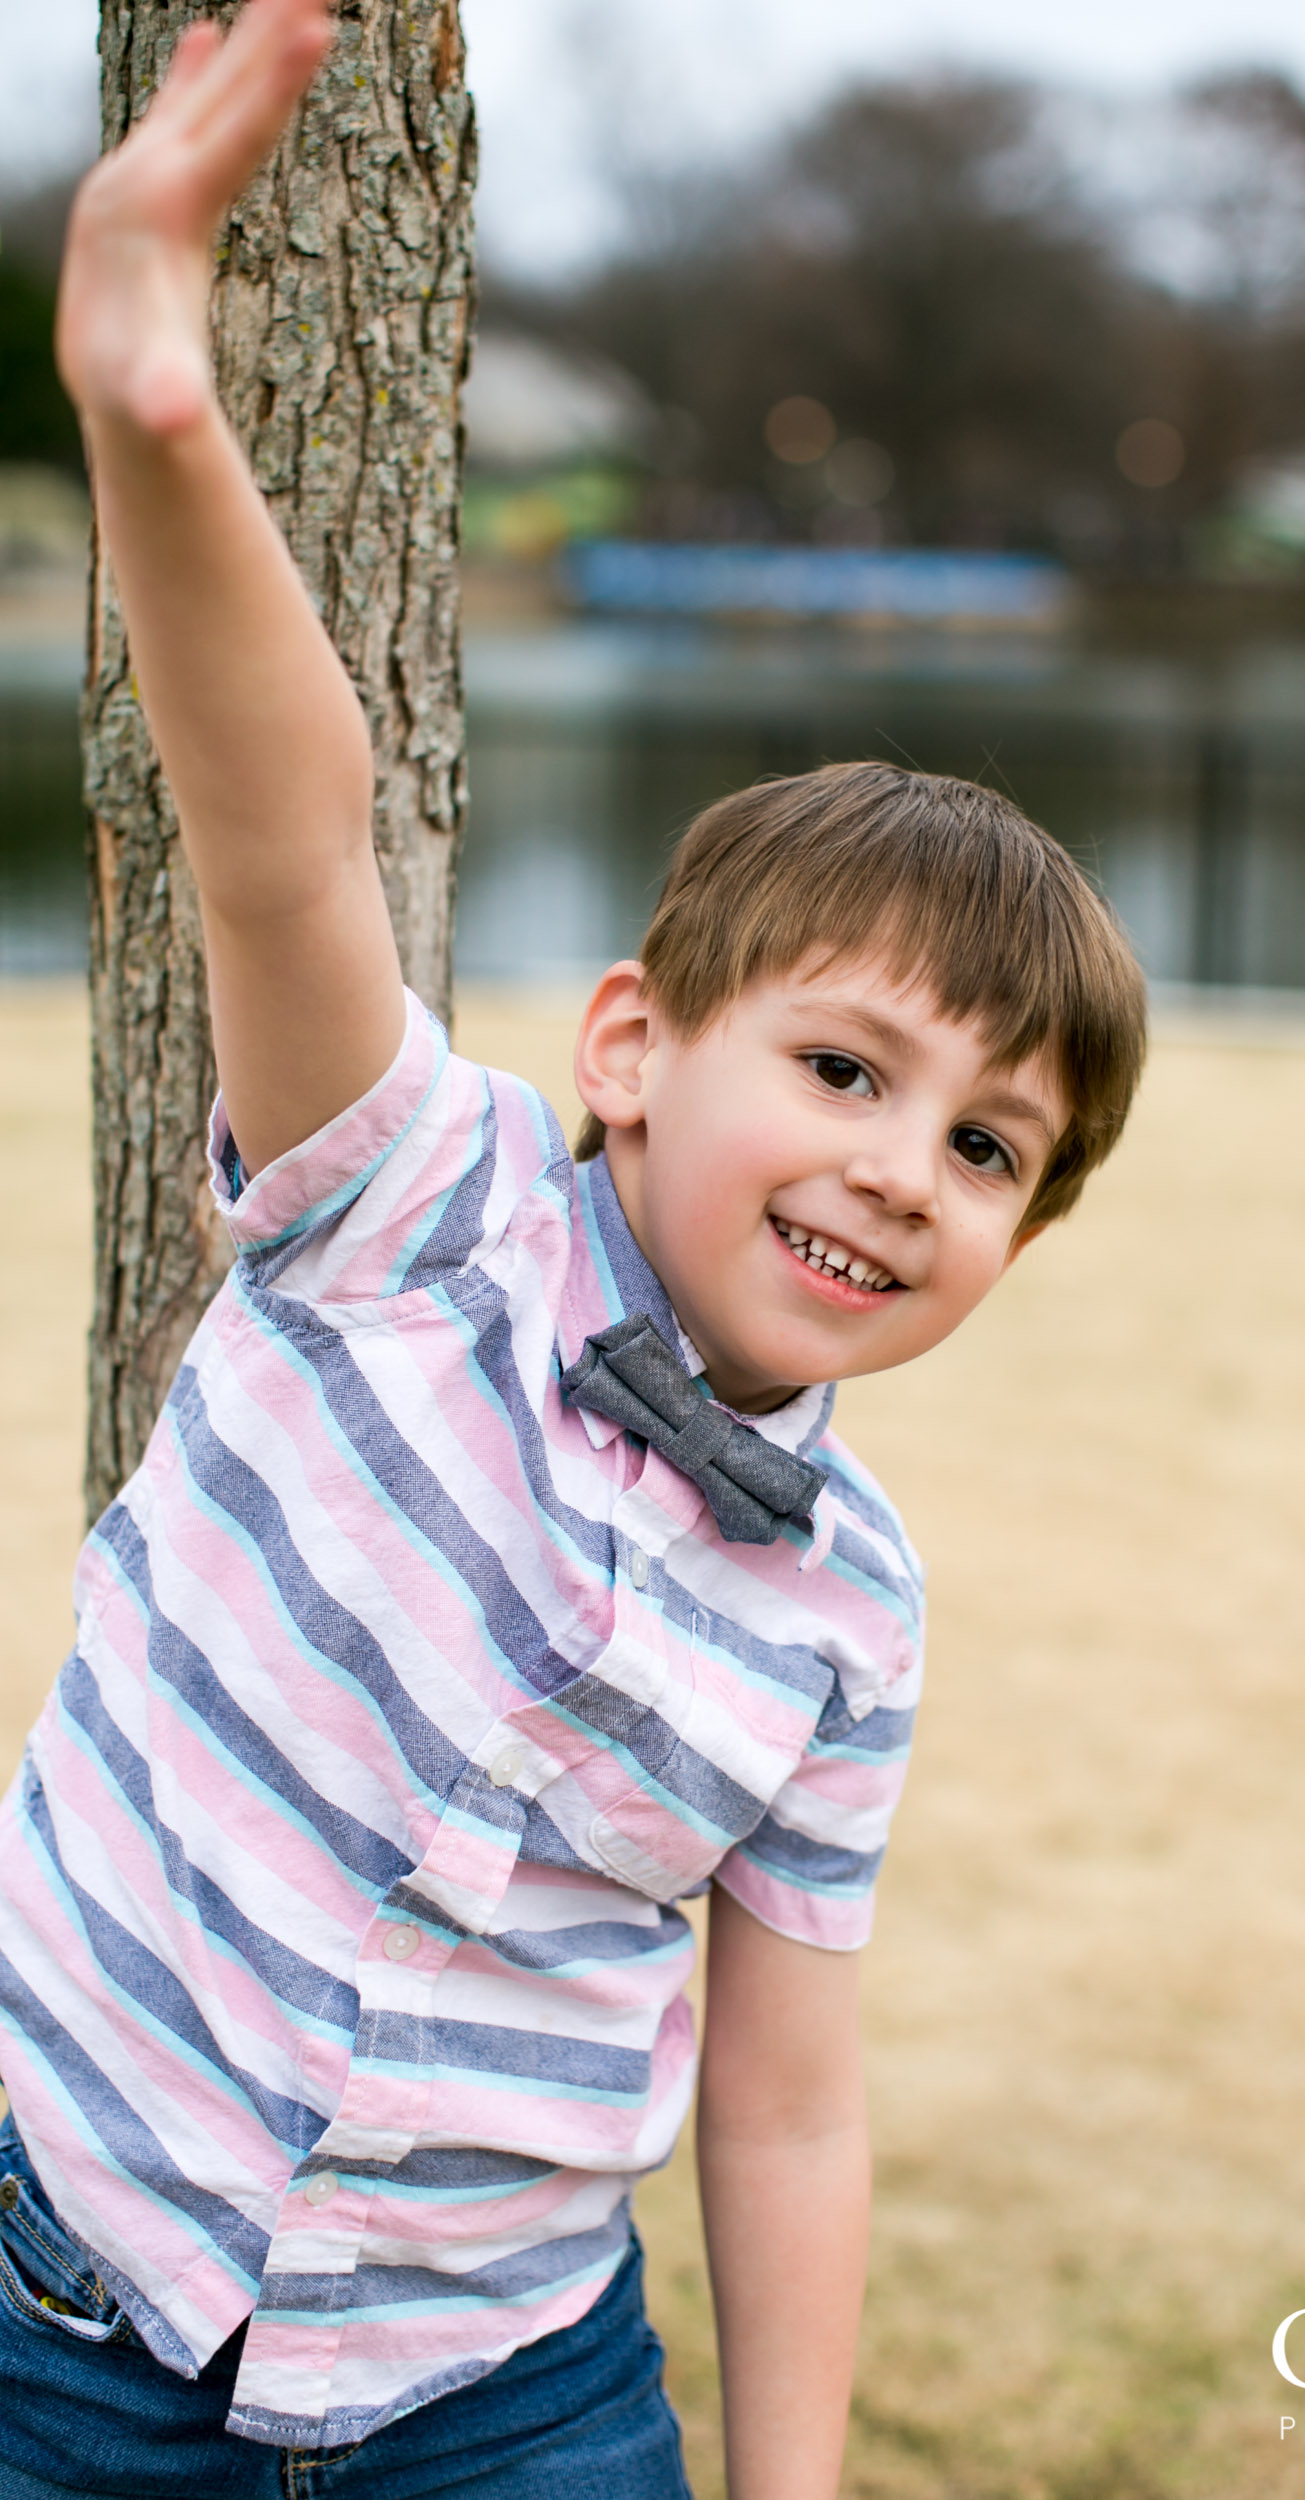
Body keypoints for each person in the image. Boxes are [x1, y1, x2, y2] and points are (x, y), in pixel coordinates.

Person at [0, 3, 1146, 2494]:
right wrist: (156, 409)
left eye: (985, 1147)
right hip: (62, 2317)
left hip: (499, 2400)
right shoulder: (423, 1210)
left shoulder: (847, 1611)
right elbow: (282, 829)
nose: (894, 1167)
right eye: (844, 1070)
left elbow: (789, 2104)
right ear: (631, 1042)